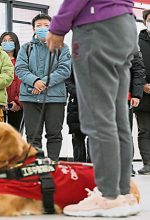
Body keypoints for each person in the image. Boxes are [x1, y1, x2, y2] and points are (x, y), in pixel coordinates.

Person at [47, 0, 139, 217]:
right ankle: (123, 193)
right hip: (125, 26)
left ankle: (108, 196)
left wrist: (58, 26)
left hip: (97, 28)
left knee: (98, 119)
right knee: (117, 119)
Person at [16, 14, 71, 161]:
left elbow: (64, 70)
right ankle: (35, 165)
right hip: (30, 97)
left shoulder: (62, 47)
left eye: (46, 25)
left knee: (54, 133)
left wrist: (43, 83)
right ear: (33, 28)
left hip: (55, 98)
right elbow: (20, 69)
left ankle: (53, 164)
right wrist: (35, 82)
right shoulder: (26, 48)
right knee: (33, 135)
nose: (42, 28)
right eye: (39, 25)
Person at [135, 9, 150, 175]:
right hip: (143, 91)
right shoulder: (136, 42)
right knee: (144, 130)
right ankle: (148, 163)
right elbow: (134, 67)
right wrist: (143, 85)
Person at [0, 32, 23, 132]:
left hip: (17, 105)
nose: (7, 43)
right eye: (4, 41)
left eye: (10, 40)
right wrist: (1, 101)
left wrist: (18, 102)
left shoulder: (22, 61)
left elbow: (24, 83)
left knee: (15, 136)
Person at [65, 70, 90, 163]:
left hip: (96, 103)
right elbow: (67, 81)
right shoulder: (73, 61)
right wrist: (77, 92)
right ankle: (79, 167)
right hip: (76, 103)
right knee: (77, 136)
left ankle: (93, 168)